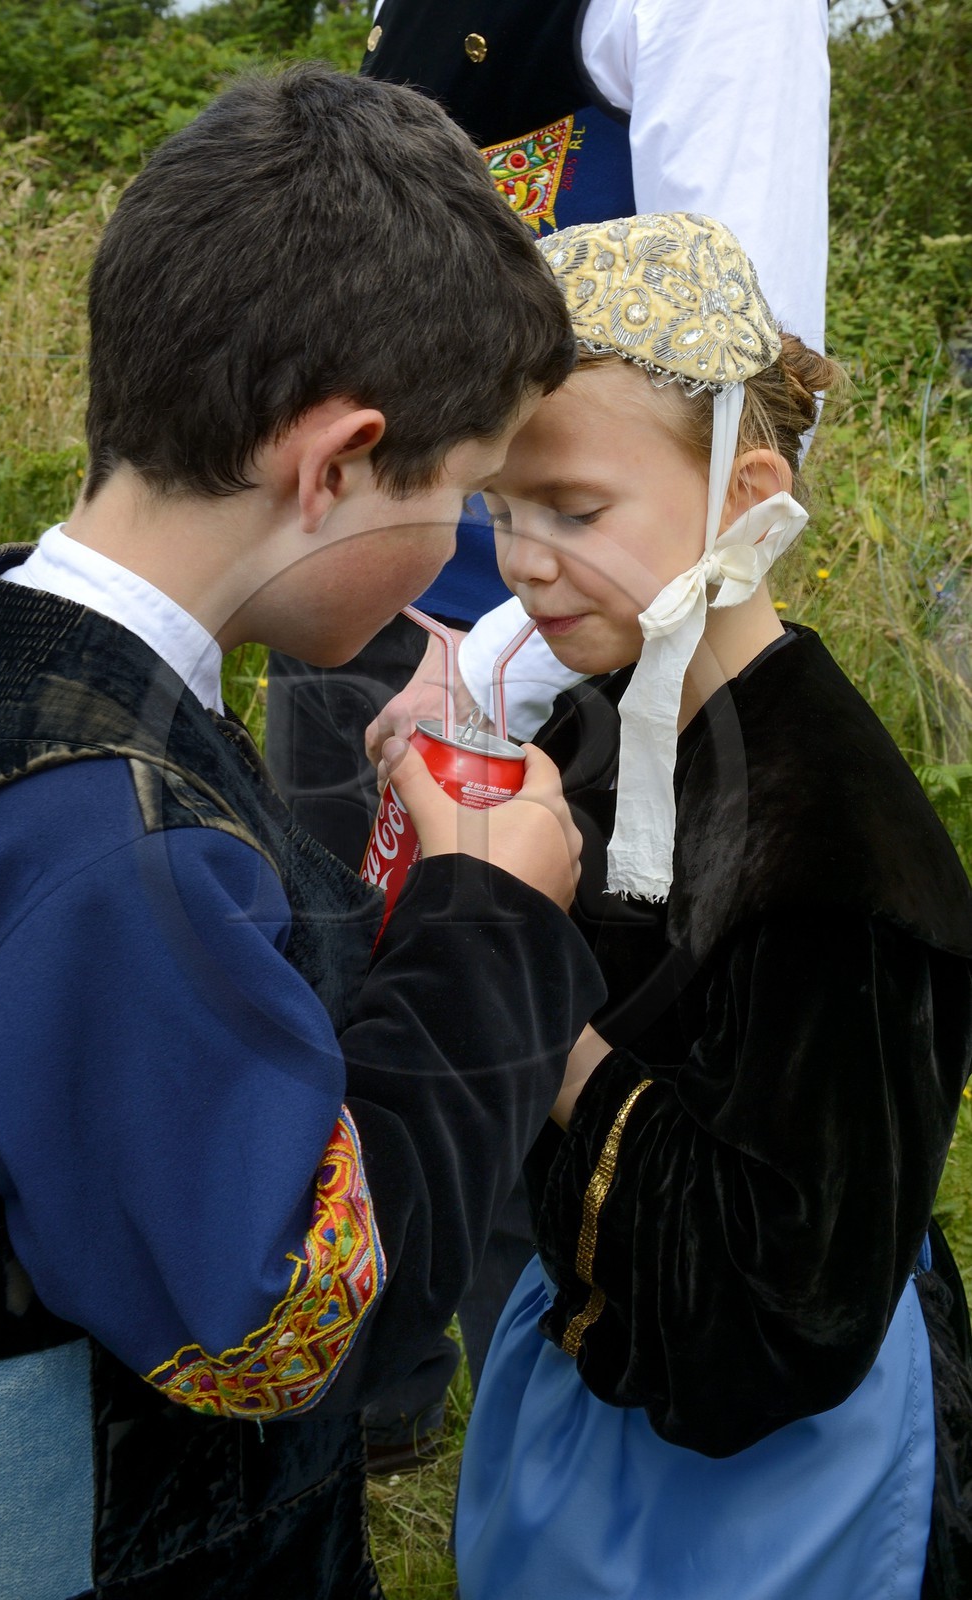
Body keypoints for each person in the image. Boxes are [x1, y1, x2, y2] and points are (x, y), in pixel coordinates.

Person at [0, 65, 607, 1600]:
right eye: (469, 493)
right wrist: (491, 922)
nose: (470, 549)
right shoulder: (114, 858)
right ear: (338, 464)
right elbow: (296, 1326)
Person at [264, 1, 830, 1442]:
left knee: (539, 1059)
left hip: (552, 651)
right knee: (334, 1000)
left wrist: (507, 667)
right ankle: (357, 1397)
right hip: (352, 604)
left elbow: (744, 376)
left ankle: (564, 1437)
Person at [450, 212, 972, 1600]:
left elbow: (788, 1313)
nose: (521, 559)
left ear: (744, 498)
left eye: (572, 509)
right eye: (502, 507)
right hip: (585, 1390)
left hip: (779, 1491)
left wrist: (544, 1021)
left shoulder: (843, 864)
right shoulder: (599, 731)